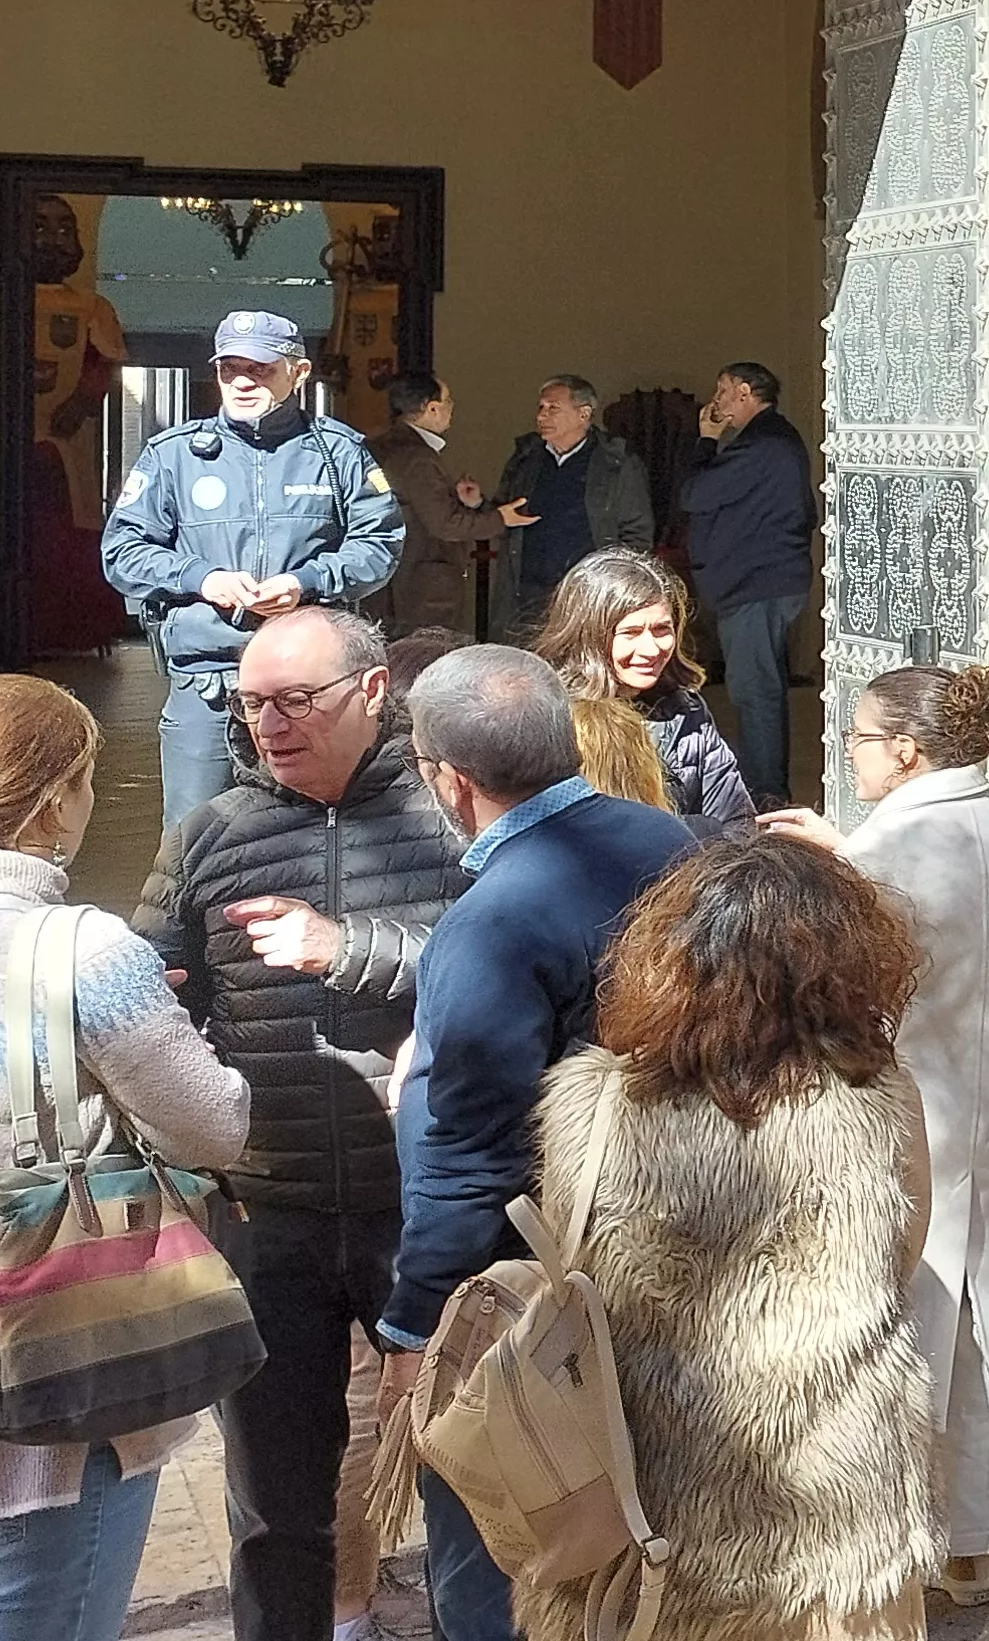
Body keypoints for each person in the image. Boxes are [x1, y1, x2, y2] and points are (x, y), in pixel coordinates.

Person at [128, 607, 465, 1641]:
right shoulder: (211, 833)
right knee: (276, 1507)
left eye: (294, 701)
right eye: (250, 703)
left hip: (428, 1219)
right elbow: (147, 1002)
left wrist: (350, 946)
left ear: (370, 695)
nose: (267, 724)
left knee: (476, 1486)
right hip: (266, 1220)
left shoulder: (452, 818)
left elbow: (504, 967)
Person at [528, 836, 932, 1639]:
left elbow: (569, 1265)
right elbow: (905, 1254)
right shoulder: (880, 1100)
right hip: (835, 1514)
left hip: (645, 1512)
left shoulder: (591, 1109)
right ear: (849, 964)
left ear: (664, 961)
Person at [0, 677, 253, 1640]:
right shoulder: (82, 951)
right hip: (47, 1405)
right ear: (61, 797)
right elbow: (211, 1127)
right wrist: (160, 1024)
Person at [378, 643, 697, 1641]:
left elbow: (472, 1151)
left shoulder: (491, 923)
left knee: (500, 1544)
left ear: (448, 778)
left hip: (543, 1300)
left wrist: (415, 1327)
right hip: (681, 1255)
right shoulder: (675, 842)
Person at [759, 663, 989, 1611]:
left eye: (861, 738)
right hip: (983, 1105)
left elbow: (866, 974)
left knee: (907, 1333)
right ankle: (971, 1546)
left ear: (907, 750)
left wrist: (837, 864)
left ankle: (904, 1550)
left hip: (904, 1118)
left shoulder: (891, 849)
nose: (851, 751)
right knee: (971, 1330)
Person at [99, 310, 407, 832]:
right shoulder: (173, 456)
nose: (242, 381)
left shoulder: (339, 453)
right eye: (229, 369)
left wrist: (306, 583)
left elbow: (379, 545)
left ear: (299, 373)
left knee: (315, 834)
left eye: (261, 368)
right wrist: (202, 579)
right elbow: (121, 551)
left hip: (311, 685)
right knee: (191, 840)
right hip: (208, 682)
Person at [529, 547, 754, 830]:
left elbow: (736, 824)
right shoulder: (545, 719)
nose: (651, 649)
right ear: (588, 636)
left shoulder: (686, 712)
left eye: (662, 629)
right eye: (631, 633)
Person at [674, 363, 817, 808]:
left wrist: (706, 441)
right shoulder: (774, 441)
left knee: (755, 690)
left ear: (744, 391)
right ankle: (765, 782)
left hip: (757, 583)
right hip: (761, 580)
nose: (715, 401)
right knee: (757, 685)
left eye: (721, 390)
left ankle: (767, 790)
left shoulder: (762, 444)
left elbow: (694, 494)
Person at [489, 376, 648, 641]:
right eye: (541, 407)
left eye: (553, 408)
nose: (542, 416)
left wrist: (616, 587)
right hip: (528, 592)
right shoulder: (527, 458)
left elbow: (636, 532)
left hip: (587, 594)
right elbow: (502, 512)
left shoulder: (616, 463)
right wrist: (477, 505)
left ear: (583, 414)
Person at [357, 375, 507, 642]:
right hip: (419, 585)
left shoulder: (379, 446)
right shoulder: (417, 457)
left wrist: (465, 502)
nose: (452, 408)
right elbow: (445, 524)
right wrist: (500, 518)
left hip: (387, 580)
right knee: (425, 658)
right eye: (448, 401)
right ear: (432, 408)